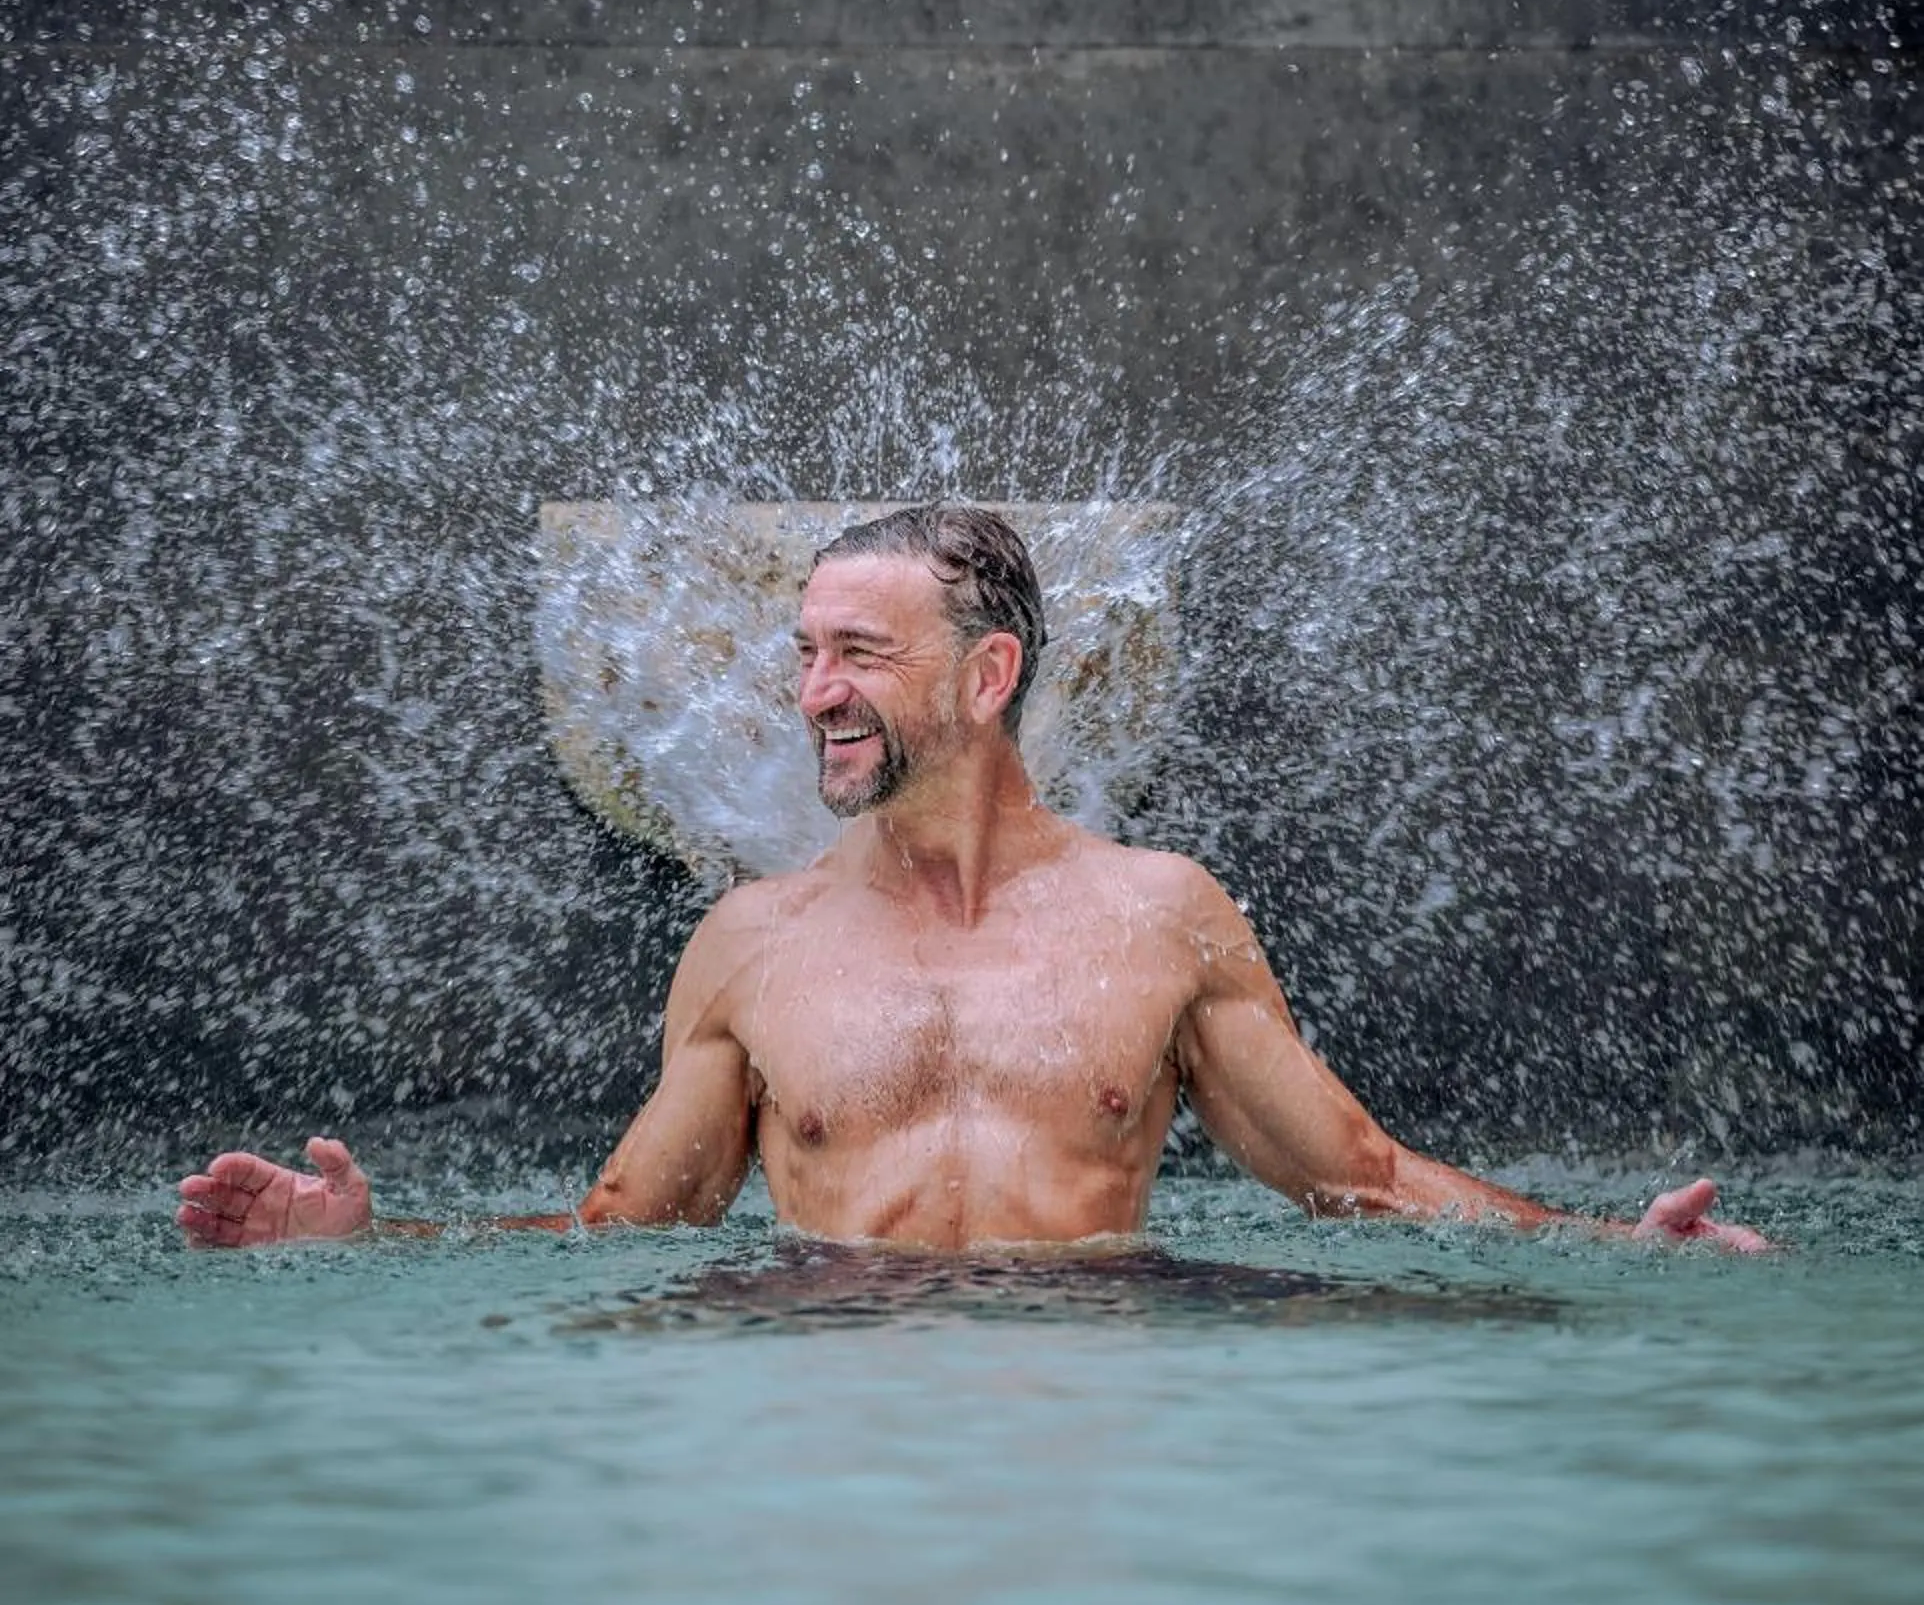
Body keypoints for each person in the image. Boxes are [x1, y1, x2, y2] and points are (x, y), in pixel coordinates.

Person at [178, 502, 1765, 1253]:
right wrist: (368, 1244)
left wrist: (1615, 1247)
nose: (813, 693)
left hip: (1080, 1407)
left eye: (859, 653)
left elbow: (1355, 1174)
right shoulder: (754, 943)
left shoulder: (1162, 915)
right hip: (830, 1410)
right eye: (804, 655)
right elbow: (623, 1230)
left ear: (990, 671)